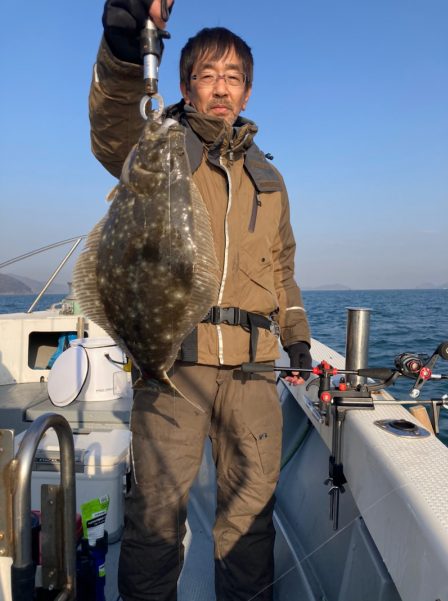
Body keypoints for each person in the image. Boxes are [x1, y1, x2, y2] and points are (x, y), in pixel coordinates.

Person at [91, 1, 312, 599]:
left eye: (233, 77)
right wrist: (122, 39)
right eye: (208, 75)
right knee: (156, 520)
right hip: (174, 364)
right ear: (186, 85)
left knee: (249, 522)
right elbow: (111, 121)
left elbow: (283, 266)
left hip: (253, 369)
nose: (221, 88)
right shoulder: (157, 144)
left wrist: (296, 337)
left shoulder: (269, 177)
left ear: (246, 91)